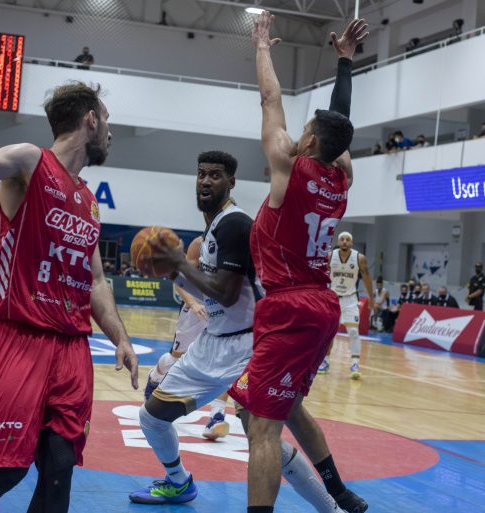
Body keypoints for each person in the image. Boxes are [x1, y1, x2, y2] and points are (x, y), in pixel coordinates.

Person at [0, 60, 138, 513]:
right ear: (91, 120)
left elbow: (96, 280)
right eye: (107, 122)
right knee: (4, 471)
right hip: (19, 338)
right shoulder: (30, 162)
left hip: (71, 347)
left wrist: (120, 338)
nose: (110, 134)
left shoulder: (89, 201)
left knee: (60, 466)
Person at [130, 152, 344, 512]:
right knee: (151, 417)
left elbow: (227, 295)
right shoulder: (213, 227)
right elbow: (211, 291)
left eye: (215, 175)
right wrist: (174, 272)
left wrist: (180, 263)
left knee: (263, 438)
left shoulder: (235, 223)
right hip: (212, 342)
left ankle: (331, 507)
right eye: (201, 174)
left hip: (247, 345)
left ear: (231, 182)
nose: (205, 181)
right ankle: (179, 482)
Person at [227, 13, 369, 513]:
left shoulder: (288, 166)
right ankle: (338, 491)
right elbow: (339, 126)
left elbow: (271, 100)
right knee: (288, 406)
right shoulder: (342, 177)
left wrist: (262, 47)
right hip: (322, 306)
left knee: (261, 428)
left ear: (308, 141)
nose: (299, 130)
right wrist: (345, 63)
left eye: (305, 128)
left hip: (289, 306)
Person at [142, 236, 229, 440]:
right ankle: (155, 376)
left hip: (222, 307)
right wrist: (193, 303)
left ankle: (216, 416)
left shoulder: (236, 243)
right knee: (176, 359)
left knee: (223, 362)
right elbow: (179, 281)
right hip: (195, 307)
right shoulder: (199, 244)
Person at [322, 232, 376, 379]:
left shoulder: (359, 258)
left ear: (351, 243)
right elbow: (321, 276)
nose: (345, 241)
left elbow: (367, 278)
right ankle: (325, 361)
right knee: (329, 332)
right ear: (338, 241)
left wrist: (371, 298)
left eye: (348, 240)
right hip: (333, 299)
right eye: (342, 239)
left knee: (353, 331)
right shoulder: (329, 256)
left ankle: (355, 364)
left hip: (351, 299)